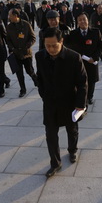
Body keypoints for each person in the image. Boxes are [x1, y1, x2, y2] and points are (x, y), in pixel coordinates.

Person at [35, 27, 87, 178]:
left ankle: (72, 150)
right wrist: (43, 94)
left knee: (72, 130)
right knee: (50, 135)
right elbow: (40, 78)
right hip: (50, 104)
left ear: (61, 41)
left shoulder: (73, 57)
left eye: (54, 45)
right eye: (47, 45)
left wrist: (80, 105)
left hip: (70, 102)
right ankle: (55, 163)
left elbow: (83, 83)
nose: (50, 49)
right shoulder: (40, 56)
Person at [66, 13, 102, 105]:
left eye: (84, 19)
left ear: (87, 20)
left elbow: (100, 46)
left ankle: (90, 97)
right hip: (79, 62)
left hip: (92, 61)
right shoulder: (73, 33)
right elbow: (70, 47)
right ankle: (82, 97)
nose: (82, 21)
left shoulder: (95, 32)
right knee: (79, 80)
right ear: (77, 22)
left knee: (91, 80)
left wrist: (94, 57)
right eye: (80, 20)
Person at [6, 9, 38, 98]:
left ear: (15, 15)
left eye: (10, 15)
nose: (9, 17)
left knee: (30, 71)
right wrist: (12, 48)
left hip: (26, 53)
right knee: (19, 74)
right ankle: (22, 89)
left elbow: (33, 38)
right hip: (16, 54)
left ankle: (36, 81)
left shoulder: (26, 24)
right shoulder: (9, 27)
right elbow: (7, 40)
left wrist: (27, 46)